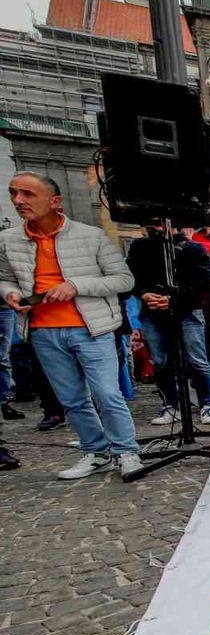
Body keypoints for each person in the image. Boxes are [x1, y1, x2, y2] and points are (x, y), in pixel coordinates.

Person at [0, 172, 141, 479]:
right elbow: (5, 278)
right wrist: (9, 293)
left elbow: (124, 280)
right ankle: (97, 452)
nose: (18, 200)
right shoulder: (8, 240)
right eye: (14, 193)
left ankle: (126, 450)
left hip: (92, 329)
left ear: (55, 201)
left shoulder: (91, 236)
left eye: (27, 194)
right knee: (72, 400)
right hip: (42, 330)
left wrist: (76, 285)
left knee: (108, 394)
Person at [128, 221, 210, 426]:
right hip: (152, 309)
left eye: (159, 223)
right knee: (160, 360)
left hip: (187, 309)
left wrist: (173, 299)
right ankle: (170, 404)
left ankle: (207, 404)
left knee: (197, 358)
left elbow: (205, 281)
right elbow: (130, 276)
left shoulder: (192, 248)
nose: (156, 227)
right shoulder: (140, 247)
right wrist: (143, 294)